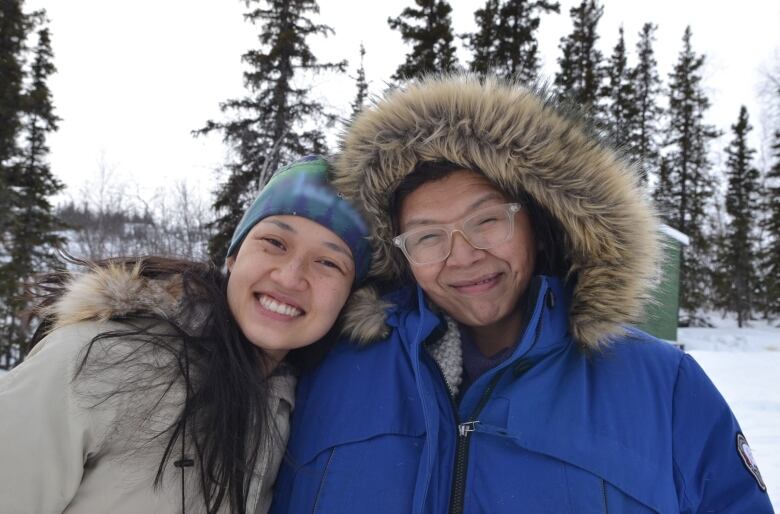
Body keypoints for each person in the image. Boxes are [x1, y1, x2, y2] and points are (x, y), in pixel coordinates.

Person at [271, 76, 774, 513]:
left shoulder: (665, 388)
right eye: (427, 236)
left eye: (487, 221)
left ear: (538, 223)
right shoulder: (324, 371)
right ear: (398, 253)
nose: (463, 256)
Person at [0, 155, 371, 514]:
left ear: (348, 298)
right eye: (275, 243)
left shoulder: (294, 405)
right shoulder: (96, 360)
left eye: (328, 262)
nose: (290, 277)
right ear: (234, 257)